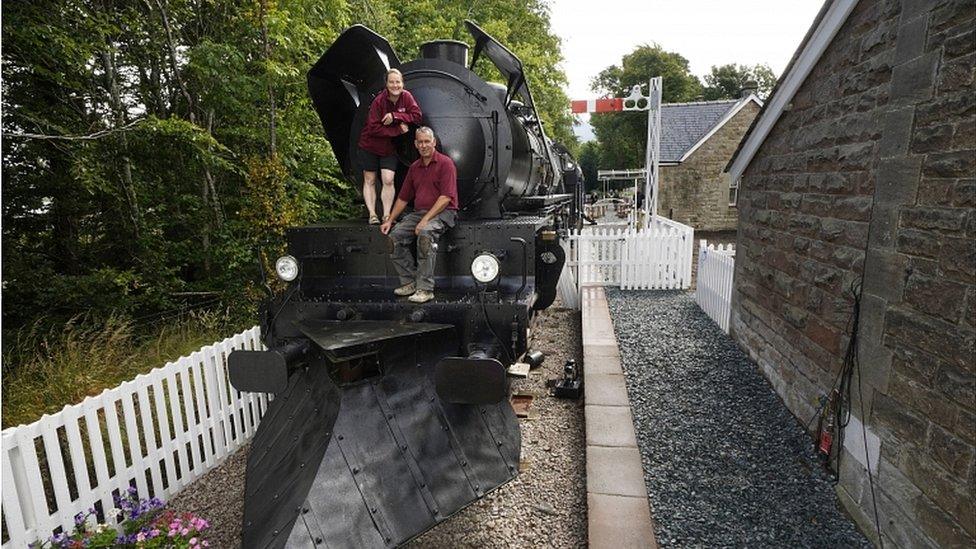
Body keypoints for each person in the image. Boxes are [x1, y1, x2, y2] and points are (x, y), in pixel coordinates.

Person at [380, 127, 458, 304]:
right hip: (420, 213)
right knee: (394, 238)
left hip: (445, 212)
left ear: (434, 142)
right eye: (420, 142)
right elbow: (403, 197)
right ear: (415, 144)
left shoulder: (446, 164)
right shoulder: (414, 167)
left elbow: (446, 198)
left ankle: (425, 289)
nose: (423, 145)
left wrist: (424, 221)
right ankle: (410, 282)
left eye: (427, 141)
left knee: (425, 235)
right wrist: (390, 220)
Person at [358, 68, 423, 224]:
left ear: (402, 83)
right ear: (386, 84)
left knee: (388, 179)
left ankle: (387, 214)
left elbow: (417, 116)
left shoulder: (406, 97)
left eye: (398, 82)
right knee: (370, 179)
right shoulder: (378, 101)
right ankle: (372, 214)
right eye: (392, 82)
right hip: (370, 145)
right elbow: (373, 128)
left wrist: (395, 116)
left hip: (389, 147)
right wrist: (397, 130)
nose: (395, 85)